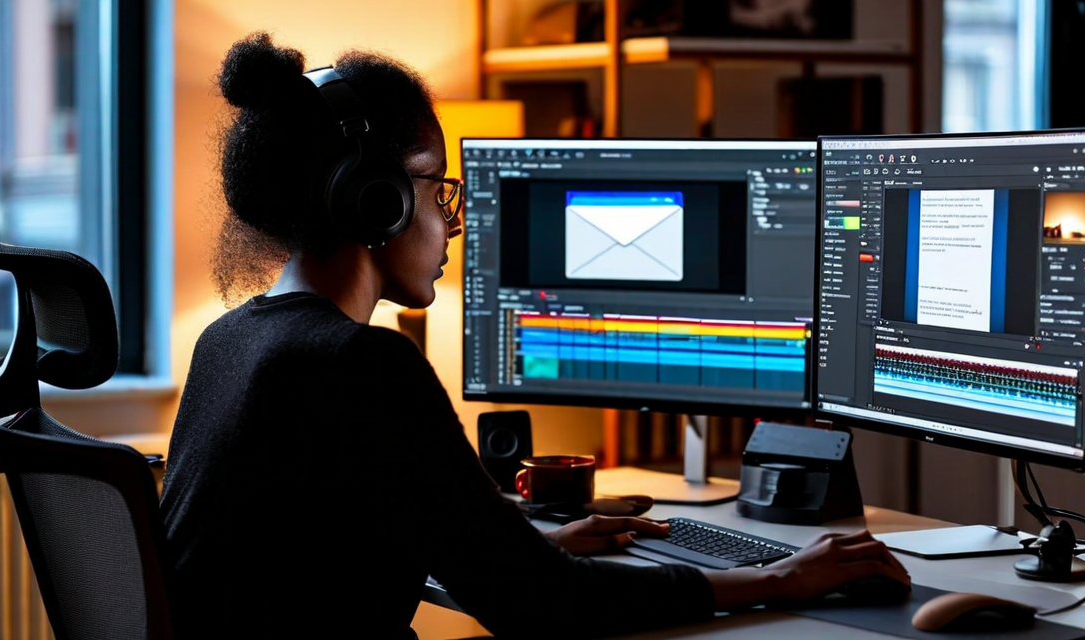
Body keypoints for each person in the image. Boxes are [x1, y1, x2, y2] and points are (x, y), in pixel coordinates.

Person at [160, 31, 910, 639]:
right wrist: (783, 577)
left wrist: (527, 547)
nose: (451, 222)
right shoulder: (360, 363)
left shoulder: (229, 343)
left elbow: (324, 556)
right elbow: (543, 608)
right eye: (438, 188)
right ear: (377, 199)